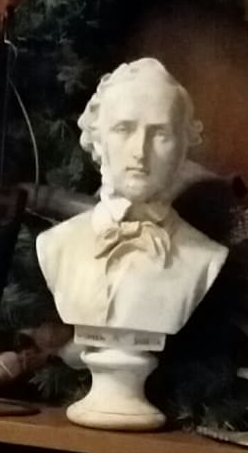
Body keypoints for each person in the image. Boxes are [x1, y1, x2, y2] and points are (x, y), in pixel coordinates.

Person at [35, 58, 228, 335]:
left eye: (160, 133)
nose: (140, 151)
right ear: (98, 140)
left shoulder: (205, 259)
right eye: (124, 129)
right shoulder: (55, 246)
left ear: (182, 147)